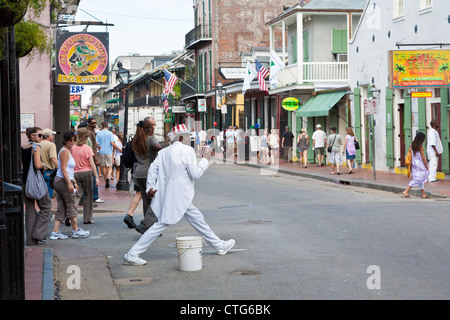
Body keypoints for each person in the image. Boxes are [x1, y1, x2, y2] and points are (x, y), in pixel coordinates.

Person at [123, 124, 235, 266]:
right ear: (181, 138)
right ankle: (133, 253)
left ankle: (219, 245)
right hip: (179, 195)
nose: (190, 139)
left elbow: (153, 169)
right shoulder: (186, 150)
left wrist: (150, 187)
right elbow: (196, 173)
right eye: (188, 136)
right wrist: (206, 159)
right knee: (161, 224)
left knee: (198, 220)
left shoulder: (164, 152)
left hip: (176, 195)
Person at [50, 131, 90, 240]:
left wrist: (74, 182)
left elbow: (68, 169)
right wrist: (69, 183)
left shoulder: (68, 151)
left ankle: (55, 231)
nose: (72, 142)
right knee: (71, 204)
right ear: (64, 140)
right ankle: (75, 230)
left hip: (62, 180)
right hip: (63, 181)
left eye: (73, 139)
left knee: (62, 206)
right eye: (69, 140)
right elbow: (63, 168)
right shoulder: (65, 152)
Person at [21, 127, 52, 246]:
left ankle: (30, 240)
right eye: (40, 135)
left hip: (24, 181)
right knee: (46, 206)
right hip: (36, 182)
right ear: (32, 135)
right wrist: (44, 165)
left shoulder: (23, 147)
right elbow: (37, 165)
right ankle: (38, 234)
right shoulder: (36, 147)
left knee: (29, 210)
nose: (41, 138)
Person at [132, 118, 162, 234]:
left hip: (139, 173)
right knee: (155, 201)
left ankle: (148, 226)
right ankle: (148, 225)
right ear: (149, 129)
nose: (154, 128)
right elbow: (158, 147)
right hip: (150, 174)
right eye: (152, 127)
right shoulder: (151, 139)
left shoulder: (136, 140)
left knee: (146, 201)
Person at [72, 127, 100, 224]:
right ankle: (87, 218)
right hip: (87, 173)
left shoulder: (73, 148)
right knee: (88, 196)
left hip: (75, 173)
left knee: (77, 195)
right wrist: (96, 177)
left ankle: (71, 215)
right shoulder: (87, 148)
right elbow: (92, 163)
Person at [402, 132, 430, 199]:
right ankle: (406, 191)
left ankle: (423, 194)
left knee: (420, 178)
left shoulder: (412, 145)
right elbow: (423, 157)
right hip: (420, 164)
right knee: (419, 178)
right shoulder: (420, 146)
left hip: (414, 164)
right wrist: (426, 166)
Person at [96, 121, 120, 188]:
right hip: (109, 152)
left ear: (102, 126)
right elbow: (112, 143)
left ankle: (106, 180)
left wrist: (98, 146)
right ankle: (108, 177)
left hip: (101, 152)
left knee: (103, 167)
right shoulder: (110, 133)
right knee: (110, 166)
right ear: (107, 126)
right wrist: (119, 149)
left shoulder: (99, 133)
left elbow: (96, 143)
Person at [87, 118, 103, 203]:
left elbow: (93, 143)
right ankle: (95, 196)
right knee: (94, 177)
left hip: (93, 156)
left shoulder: (92, 132)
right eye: (93, 123)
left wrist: (97, 145)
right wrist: (96, 158)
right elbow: (90, 146)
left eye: (96, 122)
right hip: (92, 158)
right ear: (89, 124)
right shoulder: (90, 132)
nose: (95, 124)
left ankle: (93, 196)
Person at [40, 128, 59, 198]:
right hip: (49, 172)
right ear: (49, 136)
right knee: (48, 195)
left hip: (39, 171)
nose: (53, 136)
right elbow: (53, 159)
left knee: (41, 195)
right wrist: (59, 169)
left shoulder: (38, 144)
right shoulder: (51, 145)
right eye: (52, 135)